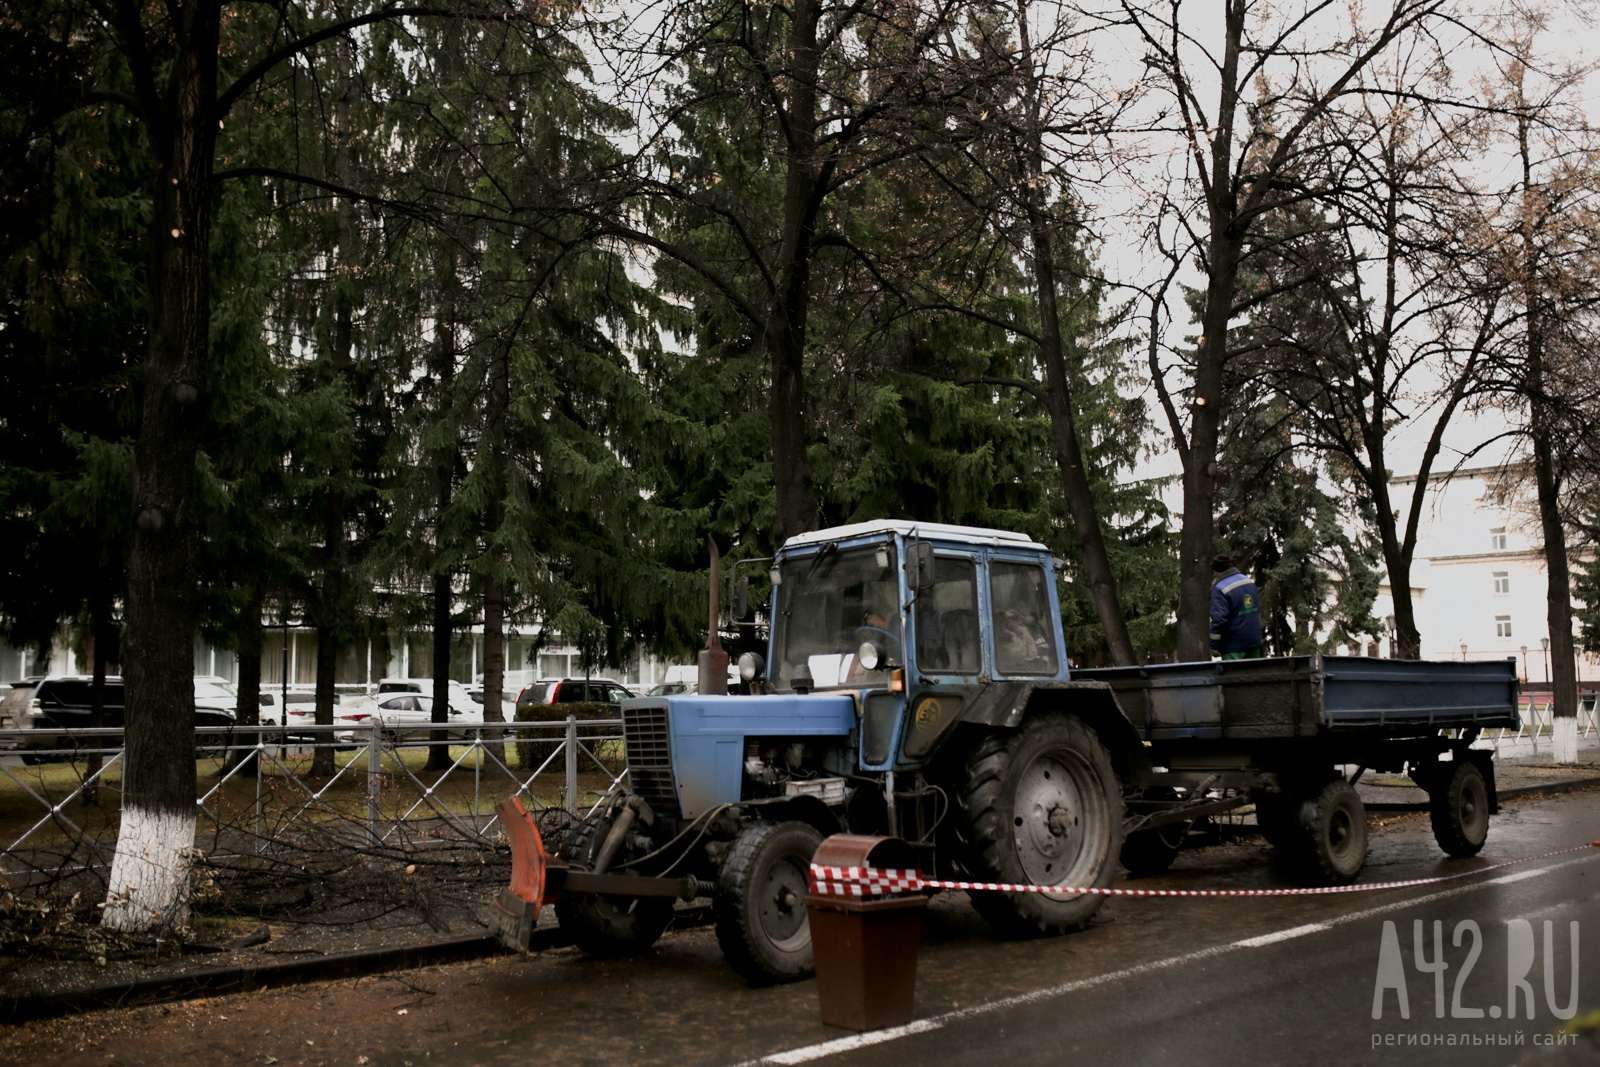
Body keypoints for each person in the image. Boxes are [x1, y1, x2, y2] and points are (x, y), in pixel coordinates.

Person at [1209, 553, 1262, 659]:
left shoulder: (1220, 588)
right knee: (1255, 674)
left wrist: (1214, 644)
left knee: (1233, 674)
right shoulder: (1248, 581)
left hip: (1233, 646)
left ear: (1216, 571)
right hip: (1253, 641)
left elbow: (1219, 619)